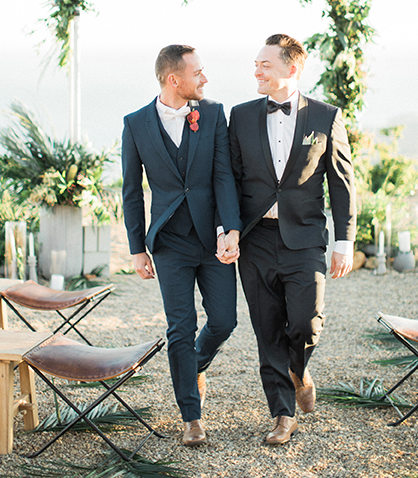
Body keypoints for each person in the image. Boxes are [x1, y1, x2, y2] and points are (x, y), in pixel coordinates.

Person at [225, 33, 356, 446]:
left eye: (265, 64)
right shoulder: (241, 116)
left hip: (305, 238)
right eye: (257, 64)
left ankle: (299, 368)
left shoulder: (325, 116)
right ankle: (282, 415)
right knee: (267, 330)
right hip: (256, 238)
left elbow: (342, 181)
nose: (257, 71)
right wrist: (225, 228)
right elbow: (228, 178)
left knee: (306, 321)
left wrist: (344, 241)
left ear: (292, 69)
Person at [121, 44, 242, 447]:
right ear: (174, 80)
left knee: (225, 321)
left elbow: (223, 176)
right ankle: (192, 417)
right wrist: (137, 248)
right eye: (198, 73)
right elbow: (131, 192)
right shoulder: (135, 124)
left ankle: (193, 366)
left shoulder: (211, 113)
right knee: (180, 328)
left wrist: (230, 229)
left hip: (213, 239)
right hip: (169, 243)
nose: (205, 79)